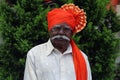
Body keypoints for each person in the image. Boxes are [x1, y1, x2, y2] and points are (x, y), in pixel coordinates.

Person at [24, 3, 92, 80]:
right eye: (57, 28)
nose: (61, 32)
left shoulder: (82, 58)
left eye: (66, 29)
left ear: (72, 33)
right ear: (50, 30)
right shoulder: (35, 55)